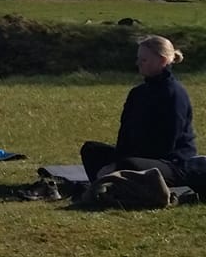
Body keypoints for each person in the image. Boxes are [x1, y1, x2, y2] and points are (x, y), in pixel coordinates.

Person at [79, 36, 196, 193]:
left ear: (161, 61)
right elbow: (125, 132)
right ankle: (110, 186)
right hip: (135, 156)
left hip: (171, 163)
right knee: (91, 150)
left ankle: (116, 186)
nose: (138, 63)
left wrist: (123, 162)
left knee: (129, 165)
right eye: (138, 59)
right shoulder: (138, 93)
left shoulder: (174, 94)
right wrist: (117, 158)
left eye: (144, 60)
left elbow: (166, 144)